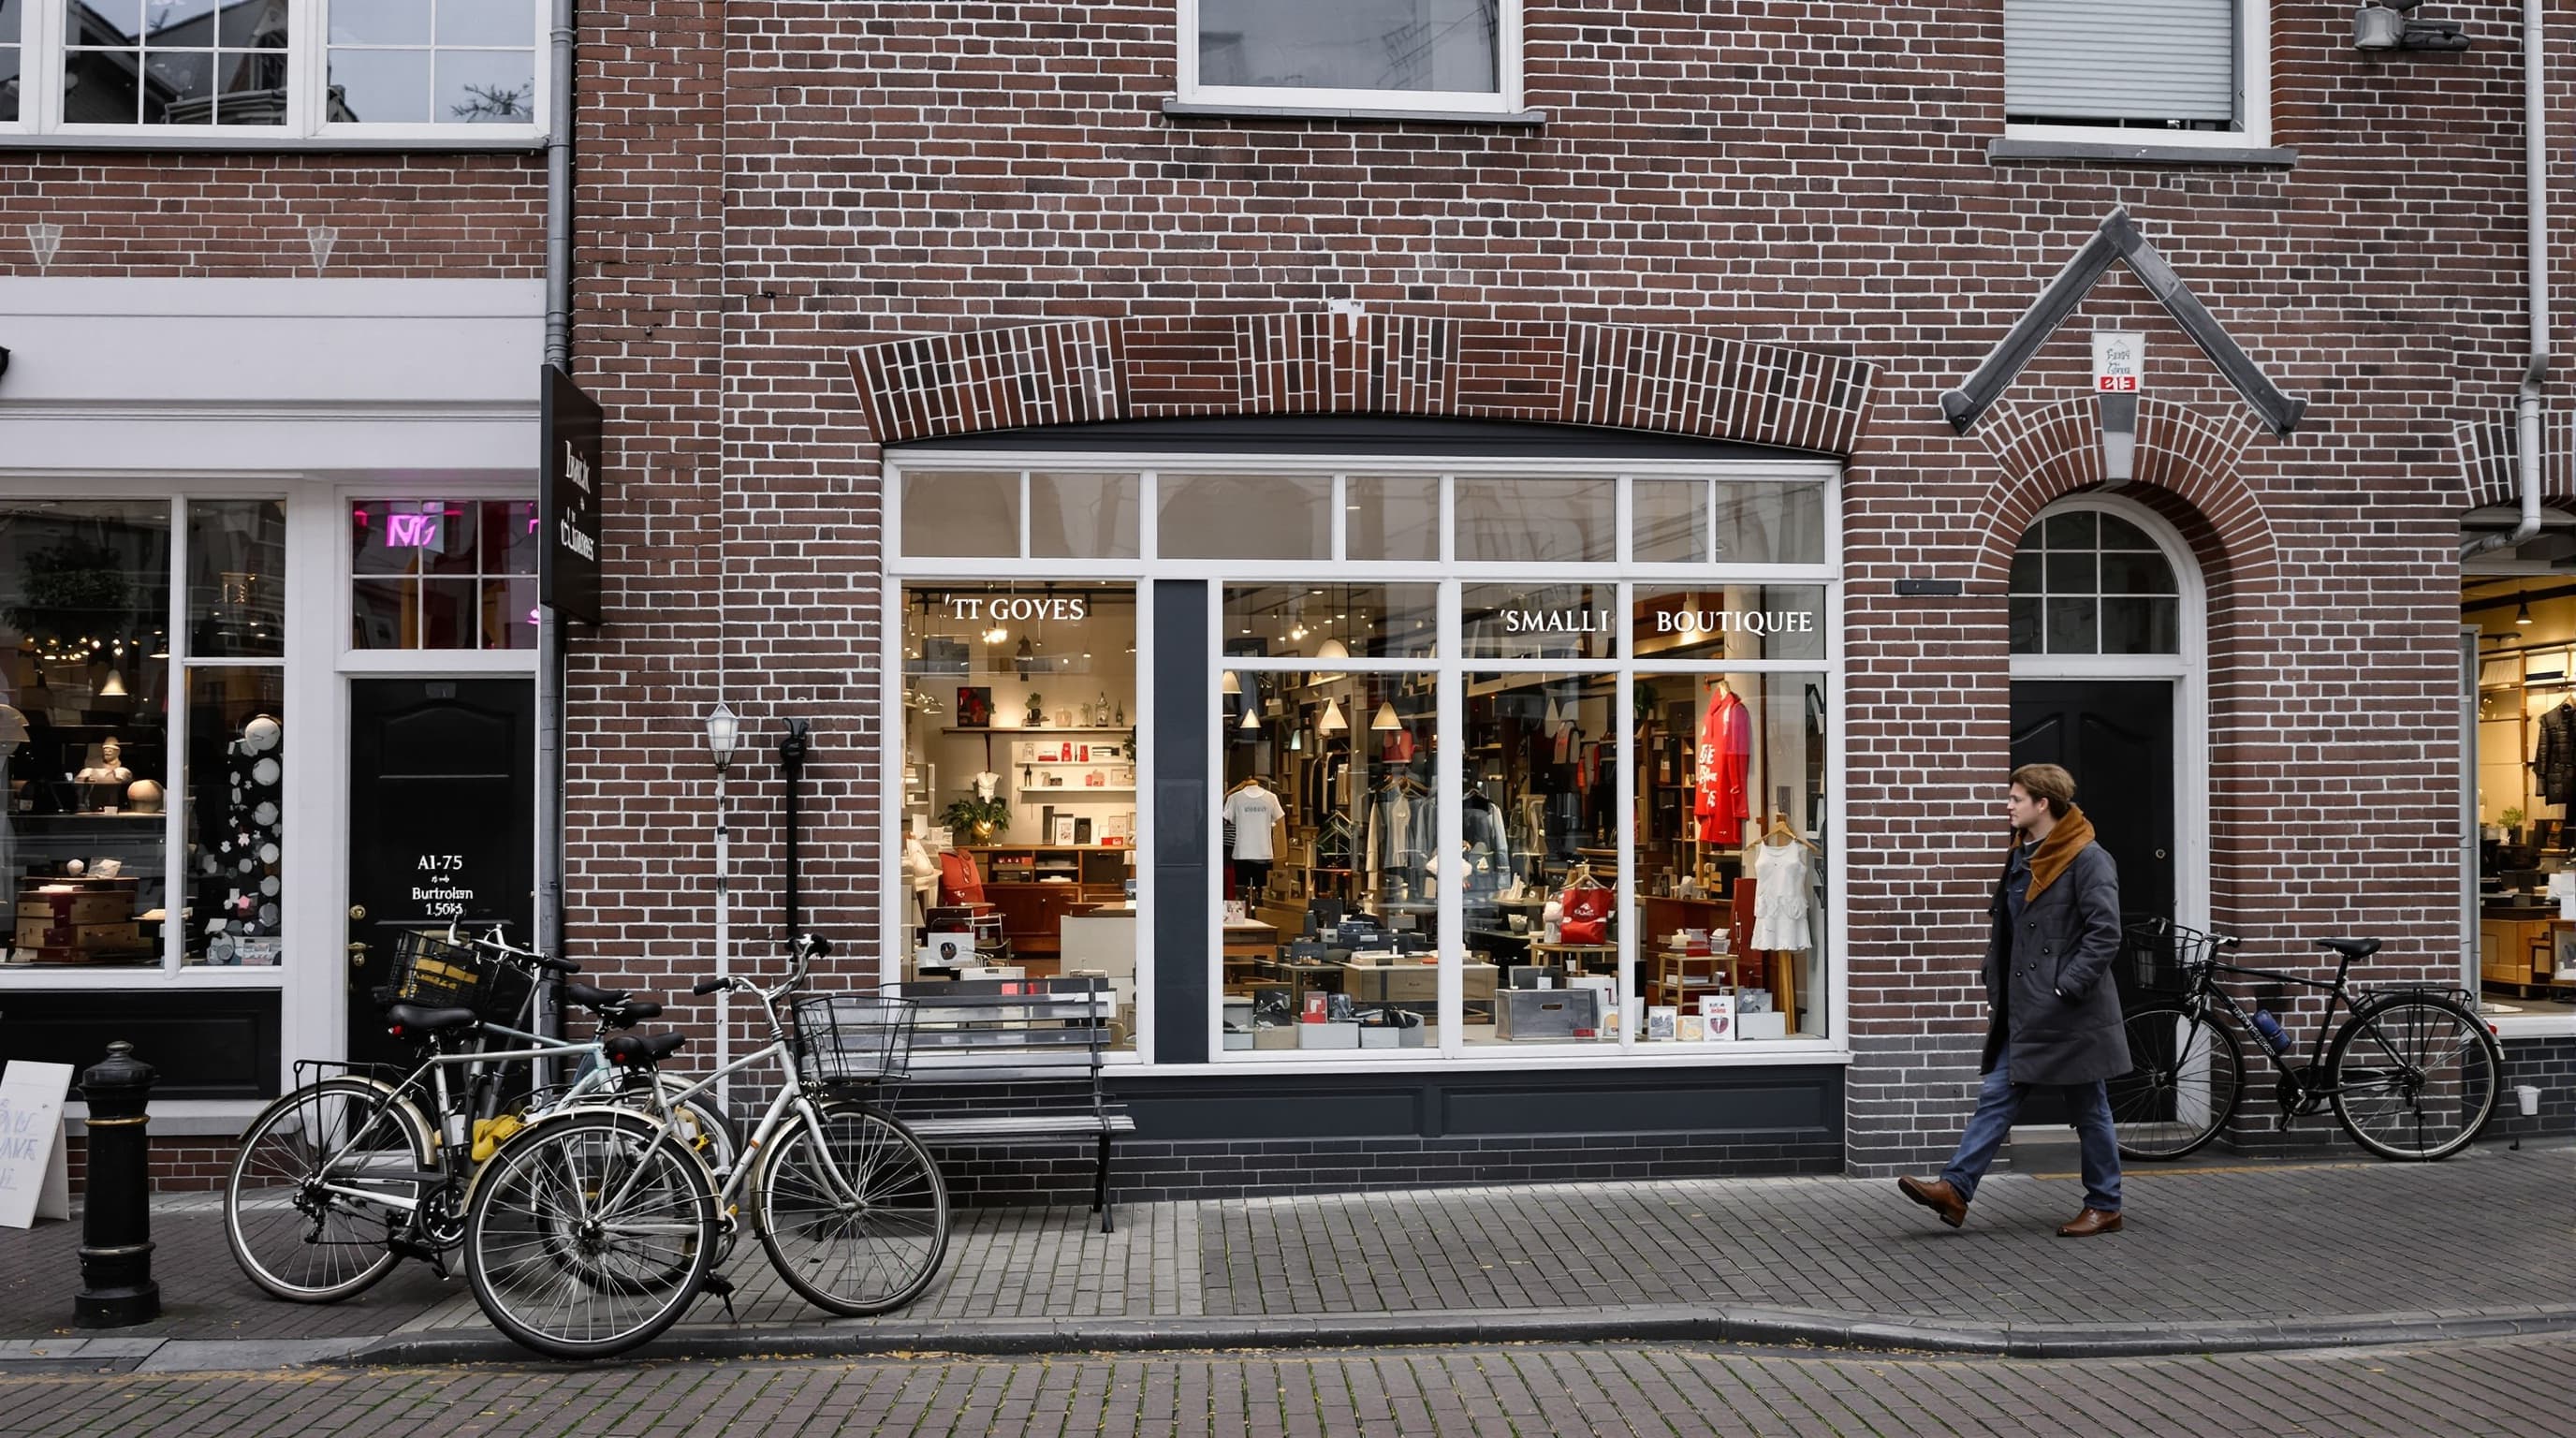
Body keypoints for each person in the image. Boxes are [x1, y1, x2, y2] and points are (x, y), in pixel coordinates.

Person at [1899, 762, 2130, 1237]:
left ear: (2042, 804)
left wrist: (2066, 986)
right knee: (1998, 1096)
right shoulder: (2024, 852)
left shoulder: (2087, 857)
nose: (2007, 805)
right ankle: (1956, 1189)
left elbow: (2105, 935)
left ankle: (2105, 1204)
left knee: (2089, 1108)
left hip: (2069, 1009)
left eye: (2015, 798)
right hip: (2026, 1006)